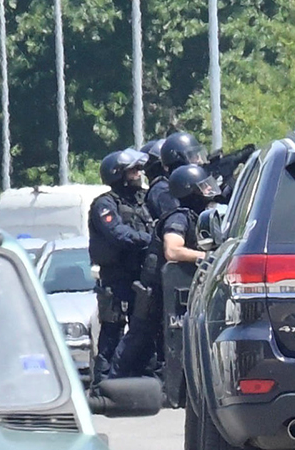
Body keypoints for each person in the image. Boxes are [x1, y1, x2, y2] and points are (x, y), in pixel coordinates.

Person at [112, 163, 221, 382]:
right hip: (155, 291)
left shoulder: (193, 216)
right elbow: (172, 250)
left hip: (166, 290)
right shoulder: (178, 217)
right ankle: (112, 381)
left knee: (158, 340)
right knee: (138, 338)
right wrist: (205, 258)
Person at [87, 149, 152, 371]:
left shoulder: (141, 200)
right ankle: (103, 384)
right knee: (113, 330)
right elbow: (117, 233)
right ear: (118, 174)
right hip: (117, 279)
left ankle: (141, 376)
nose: (137, 174)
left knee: (144, 329)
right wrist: (148, 239)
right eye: (132, 171)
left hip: (141, 276)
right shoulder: (104, 204)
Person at [146, 131, 202, 220]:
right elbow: (176, 221)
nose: (199, 160)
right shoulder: (163, 190)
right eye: (192, 156)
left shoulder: (184, 186)